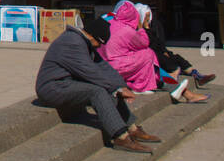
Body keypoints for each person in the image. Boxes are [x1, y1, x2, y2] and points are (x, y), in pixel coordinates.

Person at [35, 18, 161, 153]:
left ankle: (131, 128)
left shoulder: (84, 41)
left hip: (67, 83)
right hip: (52, 88)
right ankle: (121, 137)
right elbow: (90, 71)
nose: (99, 47)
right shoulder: (72, 42)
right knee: (98, 91)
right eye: (99, 43)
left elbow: (104, 67)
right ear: (91, 36)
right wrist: (116, 88)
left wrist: (121, 87)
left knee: (111, 89)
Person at [134, 3, 211, 103]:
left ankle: (191, 83)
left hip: (143, 65)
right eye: (146, 16)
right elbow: (146, 44)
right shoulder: (133, 32)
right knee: (159, 71)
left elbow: (156, 43)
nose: (148, 19)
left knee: (169, 63)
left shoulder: (143, 30)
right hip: (139, 69)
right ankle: (186, 91)